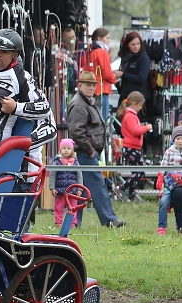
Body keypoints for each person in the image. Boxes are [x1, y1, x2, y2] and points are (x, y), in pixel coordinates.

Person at [66, 70, 125, 228]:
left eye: (93, 85)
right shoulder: (79, 104)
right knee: (98, 186)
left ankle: (74, 222)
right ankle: (110, 219)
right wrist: (91, 150)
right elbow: (76, 132)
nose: (91, 87)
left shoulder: (87, 101)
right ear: (80, 85)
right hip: (85, 152)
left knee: (81, 189)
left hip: (89, 151)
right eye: (88, 85)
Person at [116, 91, 152, 202]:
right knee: (141, 171)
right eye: (140, 105)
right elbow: (135, 131)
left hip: (131, 147)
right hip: (131, 147)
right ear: (135, 104)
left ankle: (132, 197)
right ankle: (121, 188)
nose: (141, 108)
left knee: (135, 172)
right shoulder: (130, 116)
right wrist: (146, 127)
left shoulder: (129, 116)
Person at [84, 28, 118, 123]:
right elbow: (107, 73)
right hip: (101, 90)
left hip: (91, 90)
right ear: (99, 38)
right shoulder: (102, 52)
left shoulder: (89, 51)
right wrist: (115, 77)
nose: (109, 41)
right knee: (102, 120)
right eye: (107, 38)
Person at [49, 138, 83, 228]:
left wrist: (80, 188)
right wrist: (52, 187)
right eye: (64, 148)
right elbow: (52, 175)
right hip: (60, 190)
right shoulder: (56, 162)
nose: (66, 150)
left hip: (73, 191)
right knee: (58, 207)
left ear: (72, 150)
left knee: (73, 207)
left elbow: (79, 176)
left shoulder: (75, 162)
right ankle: (58, 222)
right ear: (60, 150)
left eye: (68, 148)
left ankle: (72, 223)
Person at [116, 32, 152, 111]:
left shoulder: (144, 58)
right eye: (133, 44)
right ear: (127, 45)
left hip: (137, 98)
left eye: (138, 44)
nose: (136, 47)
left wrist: (122, 74)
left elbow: (141, 78)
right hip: (125, 95)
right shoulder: (125, 57)